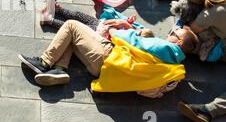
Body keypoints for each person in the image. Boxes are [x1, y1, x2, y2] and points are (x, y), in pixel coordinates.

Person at [18, 18, 198, 92]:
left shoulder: (165, 47)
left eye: (175, 33)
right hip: (105, 72)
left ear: (180, 42)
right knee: (75, 39)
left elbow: (133, 42)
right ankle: (59, 70)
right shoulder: (174, 67)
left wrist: (112, 30)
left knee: (72, 26)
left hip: (108, 56)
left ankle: (44, 62)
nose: (171, 33)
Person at [39, 0, 154, 39]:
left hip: (97, 30)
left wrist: (107, 23)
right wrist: (130, 21)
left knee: (72, 25)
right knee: (78, 15)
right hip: (98, 25)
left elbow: (116, 24)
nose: (137, 29)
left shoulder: (129, 35)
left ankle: (49, 20)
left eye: (139, 31)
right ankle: (59, 10)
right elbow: (124, 24)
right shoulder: (132, 30)